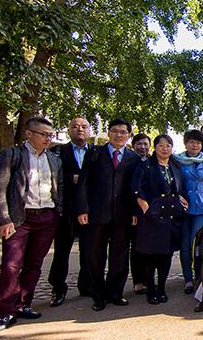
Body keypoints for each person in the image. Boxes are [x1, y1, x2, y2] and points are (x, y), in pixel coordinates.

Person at [0, 117, 62, 333]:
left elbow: (60, 188)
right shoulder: (12, 155)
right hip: (20, 219)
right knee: (11, 265)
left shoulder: (54, 159)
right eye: (44, 134)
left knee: (34, 264)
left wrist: (58, 212)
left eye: (50, 135)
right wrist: (3, 219)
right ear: (29, 134)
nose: (48, 139)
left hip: (47, 217)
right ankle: (6, 311)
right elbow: (0, 189)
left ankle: (23, 304)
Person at [77, 118, 139, 312]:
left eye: (123, 132)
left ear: (128, 135)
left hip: (123, 215)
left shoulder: (133, 158)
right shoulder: (94, 154)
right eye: (115, 131)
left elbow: (136, 189)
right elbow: (83, 183)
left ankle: (115, 293)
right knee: (94, 255)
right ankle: (98, 294)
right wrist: (82, 209)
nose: (119, 135)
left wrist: (135, 212)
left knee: (119, 256)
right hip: (96, 214)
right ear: (109, 132)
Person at [131, 134, 187, 305]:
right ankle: (151, 289)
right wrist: (145, 208)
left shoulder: (175, 166)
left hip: (171, 214)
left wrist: (181, 199)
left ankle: (161, 287)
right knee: (149, 254)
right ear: (155, 147)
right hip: (151, 214)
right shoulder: (146, 165)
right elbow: (136, 189)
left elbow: (179, 188)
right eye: (161, 145)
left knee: (166, 254)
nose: (165, 148)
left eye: (168, 145)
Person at [48, 117, 91, 307]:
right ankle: (58, 288)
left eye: (84, 126)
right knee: (62, 251)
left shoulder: (96, 152)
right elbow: (50, 175)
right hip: (66, 209)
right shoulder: (57, 151)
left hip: (90, 209)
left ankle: (86, 285)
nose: (80, 129)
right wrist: (71, 178)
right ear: (68, 130)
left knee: (88, 250)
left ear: (89, 130)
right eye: (75, 126)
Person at [174, 129, 203, 295]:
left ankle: (199, 275)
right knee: (185, 244)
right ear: (186, 143)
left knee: (197, 243)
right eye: (192, 142)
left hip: (202, 207)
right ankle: (188, 279)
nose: (195, 145)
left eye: (198, 143)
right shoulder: (177, 160)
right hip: (183, 207)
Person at [128, 132, 150, 295]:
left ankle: (148, 279)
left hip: (151, 211)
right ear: (133, 145)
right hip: (135, 211)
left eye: (145, 144)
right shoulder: (129, 161)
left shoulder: (152, 162)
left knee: (149, 246)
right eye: (139, 144)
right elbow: (131, 190)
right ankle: (138, 281)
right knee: (136, 247)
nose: (143, 147)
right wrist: (134, 211)